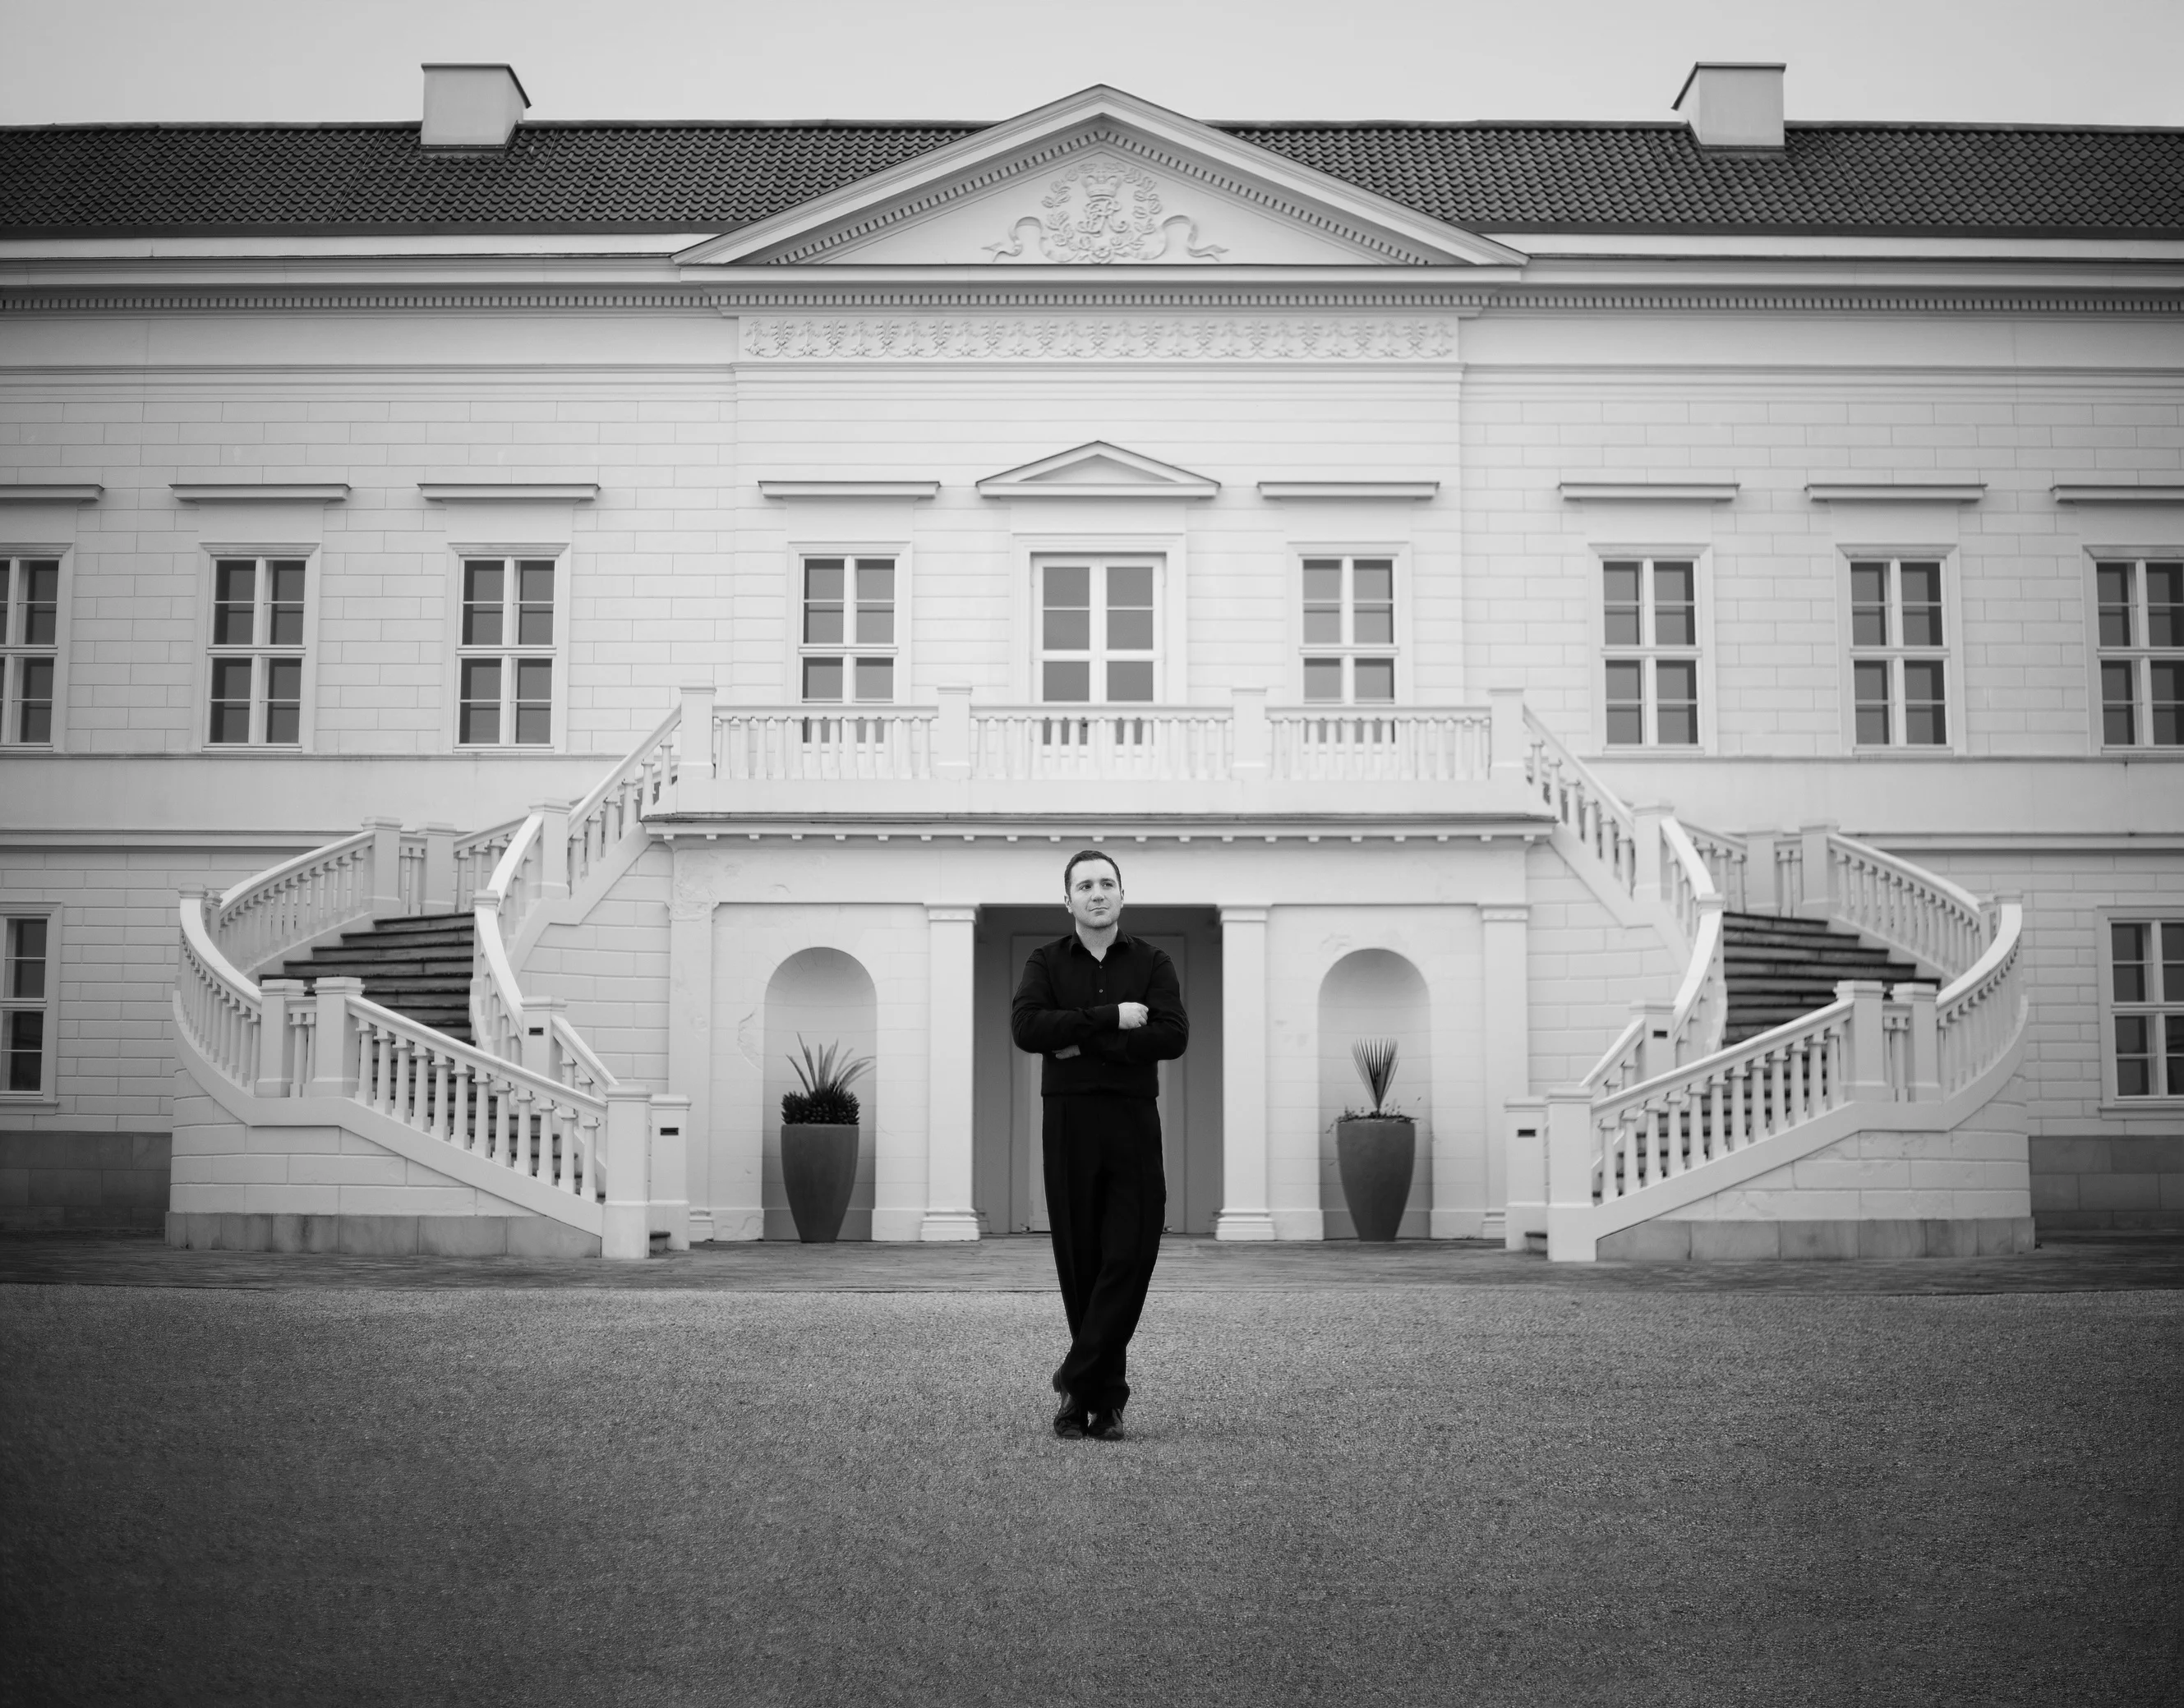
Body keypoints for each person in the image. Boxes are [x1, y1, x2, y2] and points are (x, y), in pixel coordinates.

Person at [1010, 849, 1188, 1442]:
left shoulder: (1153, 960)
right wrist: (1113, 1017)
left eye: (1107, 883)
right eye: (1084, 884)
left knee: (1132, 1254)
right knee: (1081, 1262)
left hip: (1133, 1121)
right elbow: (1029, 1028)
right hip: (1068, 1123)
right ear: (1068, 900)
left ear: (1120, 895)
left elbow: (1173, 1035)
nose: (1097, 892)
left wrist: (1082, 1040)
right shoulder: (1045, 960)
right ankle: (1099, 1404)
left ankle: (1075, 1376)